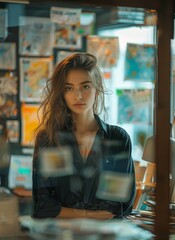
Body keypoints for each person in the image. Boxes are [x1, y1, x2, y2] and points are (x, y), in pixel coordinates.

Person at [32, 52, 136, 219]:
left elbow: (118, 207)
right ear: (61, 93)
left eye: (85, 86)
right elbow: (43, 206)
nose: (78, 96)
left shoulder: (117, 138)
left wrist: (67, 213)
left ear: (97, 89)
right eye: (69, 88)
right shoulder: (49, 139)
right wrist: (91, 214)